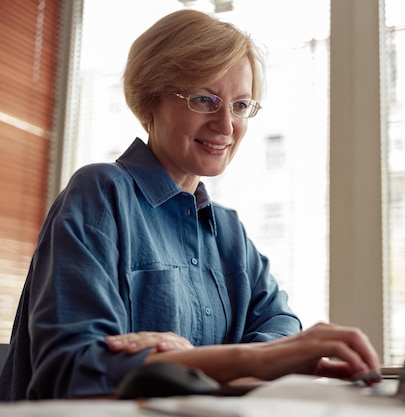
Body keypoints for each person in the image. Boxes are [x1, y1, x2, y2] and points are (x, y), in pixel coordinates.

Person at [0, 9, 380, 401]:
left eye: (241, 105)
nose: (227, 125)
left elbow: (281, 328)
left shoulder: (229, 231)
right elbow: (72, 372)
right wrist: (237, 362)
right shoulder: (100, 193)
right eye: (204, 99)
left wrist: (196, 362)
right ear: (151, 100)